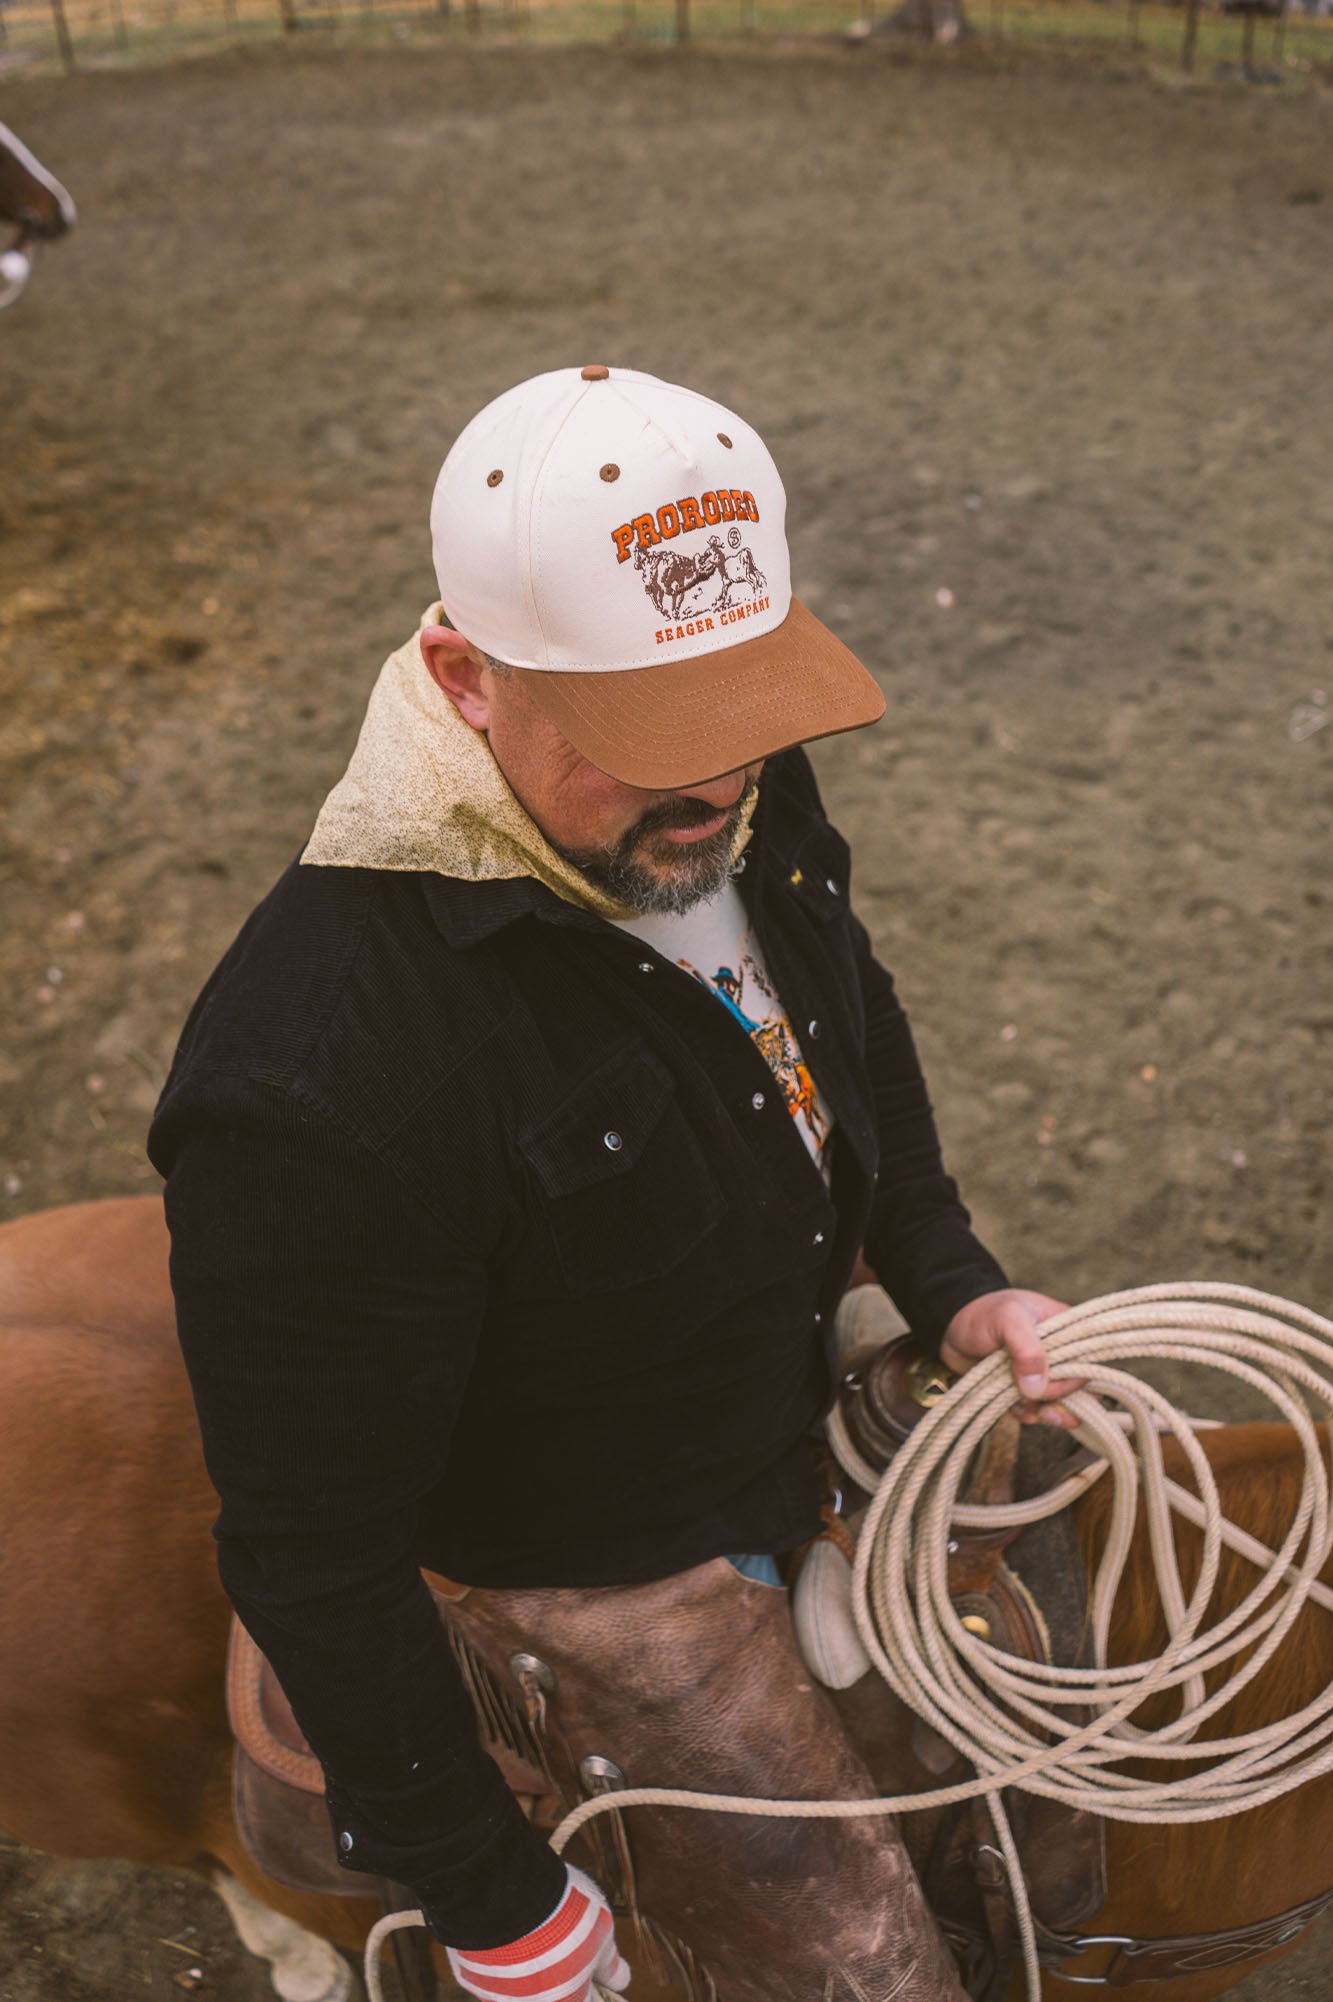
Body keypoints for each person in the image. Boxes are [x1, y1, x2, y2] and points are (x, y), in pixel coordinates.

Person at [148, 364, 1070, 2002]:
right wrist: (494, 1899)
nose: (721, 782)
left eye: (741, 716)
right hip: (590, 1562)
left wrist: (944, 1267)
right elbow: (308, 1548)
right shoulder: (316, 1072)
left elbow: (843, 1012)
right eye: (657, 738)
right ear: (463, 673)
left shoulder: (713, 769)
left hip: (758, 1408)